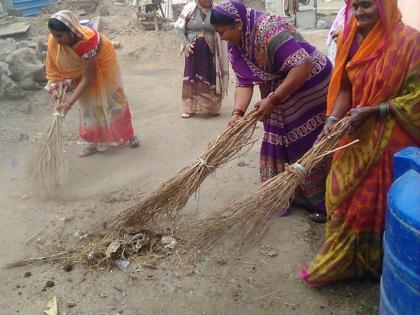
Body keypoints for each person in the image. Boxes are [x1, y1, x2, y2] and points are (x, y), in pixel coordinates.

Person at [300, 0, 420, 286]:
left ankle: (368, 260)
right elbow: (345, 86)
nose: (359, 13)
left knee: (369, 199)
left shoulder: (410, 42)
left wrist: (376, 110)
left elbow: (417, 96)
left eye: (367, 6)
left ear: (385, 7)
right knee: (339, 188)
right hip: (355, 126)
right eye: (355, 7)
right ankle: (349, 258)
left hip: (391, 132)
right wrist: (331, 120)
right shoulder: (349, 36)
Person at [210, 1, 333, 221]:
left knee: (302, 137)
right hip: (282, 84)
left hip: (311, 80)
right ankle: (293, 189)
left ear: (238, 24)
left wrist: (273, 99)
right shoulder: (236, 45)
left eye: (222, 32)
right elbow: (244, 82)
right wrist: (237, 113)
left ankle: (321, 198)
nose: (221, 38)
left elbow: (303, 65)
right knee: (278, 130)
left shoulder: (268, 30)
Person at [45, 10, 140, 157]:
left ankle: (128, 135)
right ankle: (95, 142)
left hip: (103, 62)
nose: (56, 39)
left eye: (59, 36)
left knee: (113, 99)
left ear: (71, 32)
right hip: (80, 68)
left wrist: (68, 104)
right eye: (53, 35)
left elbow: (88, 78)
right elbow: (54, 72)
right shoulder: (54, 42)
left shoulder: (86, 42)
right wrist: (57, 97)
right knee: (88, 105)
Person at [175, 0, 229, 119]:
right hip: (192, 53)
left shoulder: (217, 10)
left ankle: (212, 107)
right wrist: (186, 43)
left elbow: (224, 28)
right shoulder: (189, 9)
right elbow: (179, 29)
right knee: (191, 79)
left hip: (210, 54)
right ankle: (189, 108)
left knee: (210, 78)